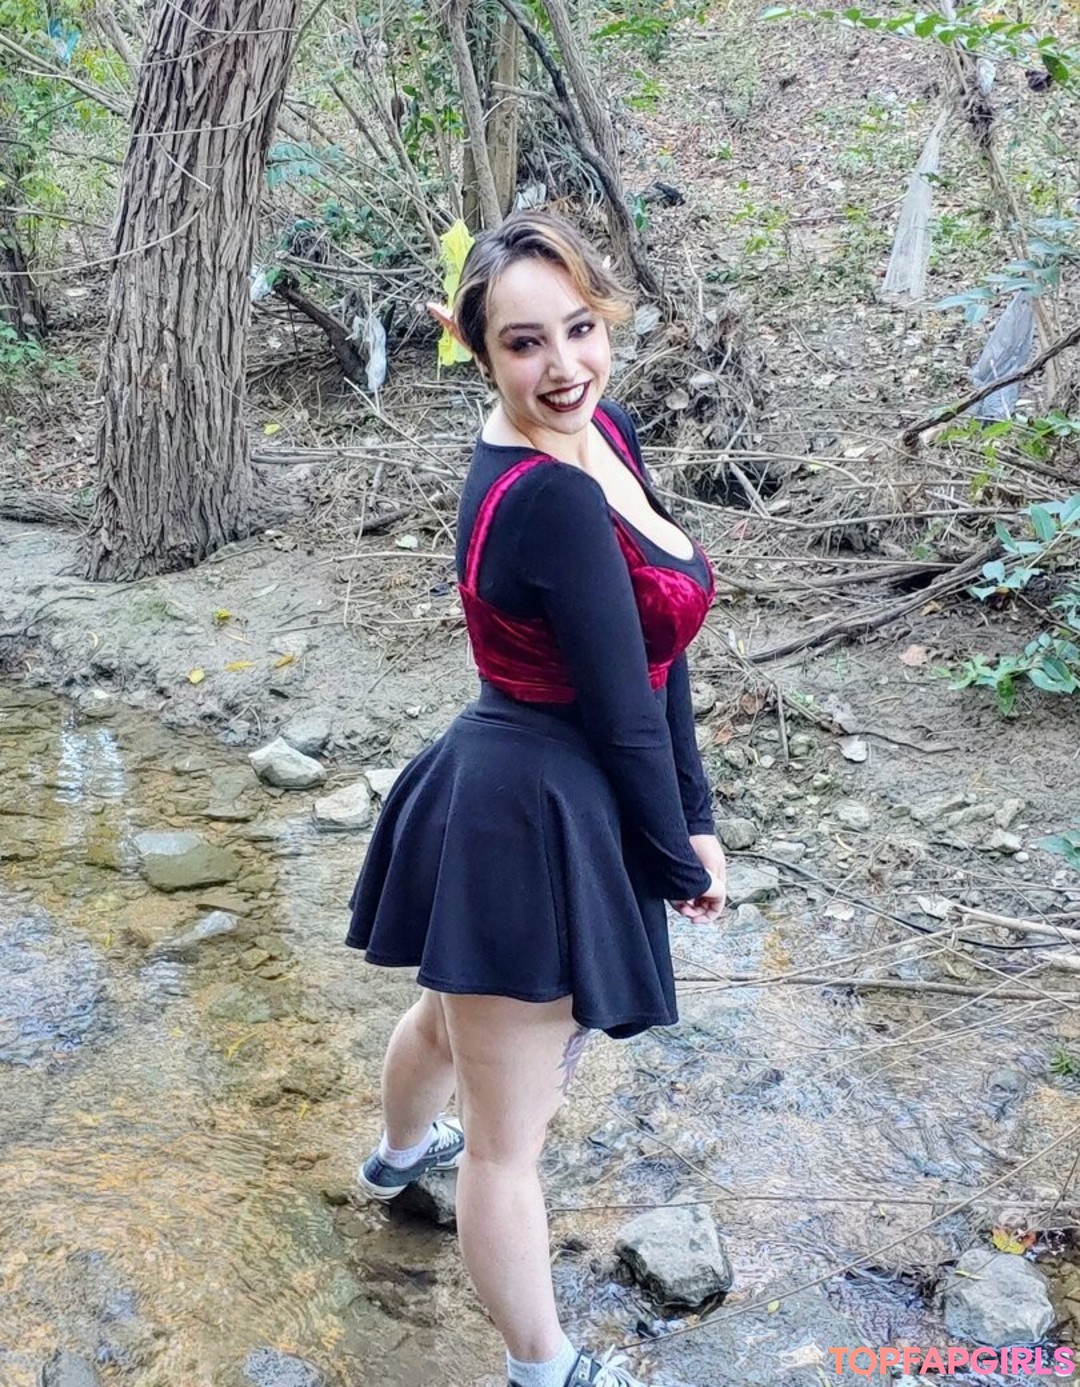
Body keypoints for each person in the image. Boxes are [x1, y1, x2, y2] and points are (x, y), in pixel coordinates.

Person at [346, 210, 726, 1387]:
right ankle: (543, 1366)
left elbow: (655, 653)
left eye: (579, 329)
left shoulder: (597, 432)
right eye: (524, 343)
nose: (563, 365)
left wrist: (693, 815)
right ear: (476, 347)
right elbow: (621, 708)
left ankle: (396, 1157)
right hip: (532, 809)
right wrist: (678, 858)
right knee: (508, 1149)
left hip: (510, 783)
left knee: (452, 1014)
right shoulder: (549, 493)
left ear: (605, 319)